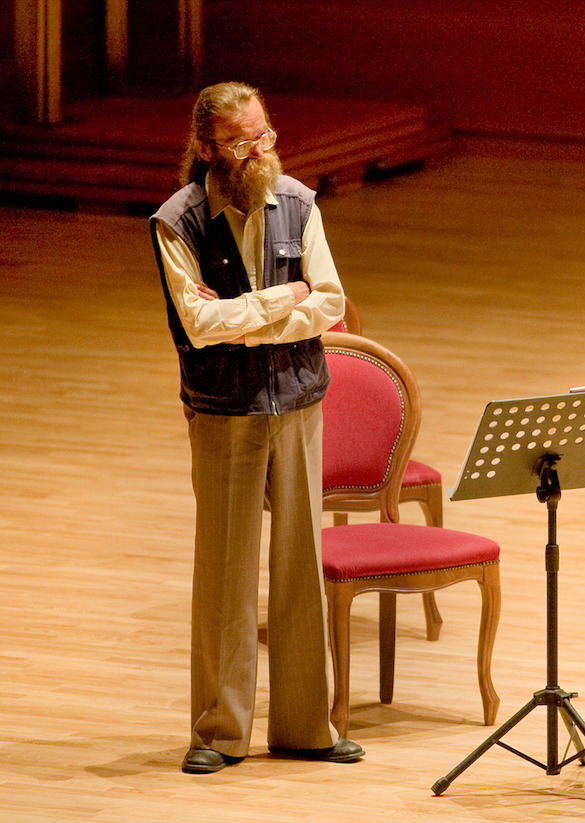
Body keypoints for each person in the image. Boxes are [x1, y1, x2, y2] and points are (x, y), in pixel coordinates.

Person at [151, 81, 363, 774]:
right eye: (242, 143)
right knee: (225, 570)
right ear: (207, 149)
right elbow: (199, 325)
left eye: (264, 134)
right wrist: (283, 299)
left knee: (300, 561)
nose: (259, 151)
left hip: (298, 402)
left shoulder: (299, 204)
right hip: (222, 412)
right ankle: (219, 728)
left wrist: (251, 314)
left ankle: (306, 725)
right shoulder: (175, 223)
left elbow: (329, 304)